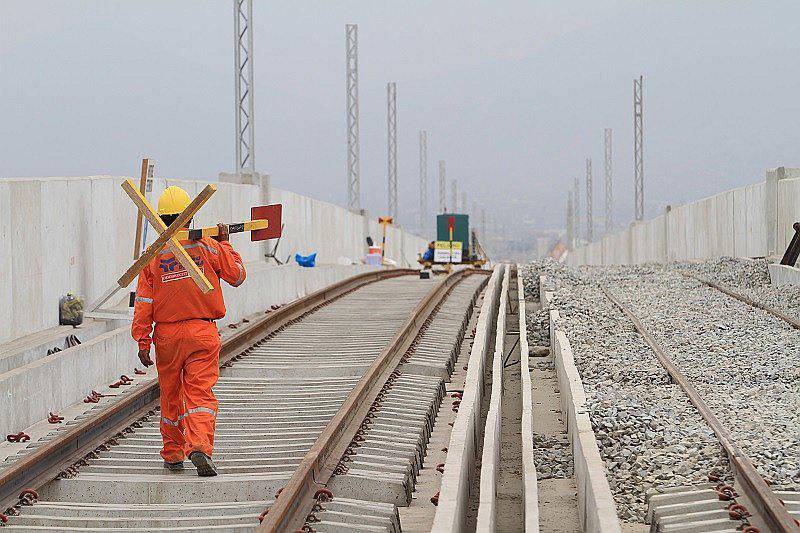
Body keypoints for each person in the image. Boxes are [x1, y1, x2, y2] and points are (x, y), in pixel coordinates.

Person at [131, 186, 246, 476]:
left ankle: (172, 453)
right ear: (191, 215)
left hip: (167, 337)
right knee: (200, 393)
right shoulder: (208, 245)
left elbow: (144, 302)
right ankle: (199, 447)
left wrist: (143, 340)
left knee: (170, 394)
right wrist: (226, 242)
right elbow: (237, 276)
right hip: (202, 332)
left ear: (160, 217)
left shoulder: (153, 256)